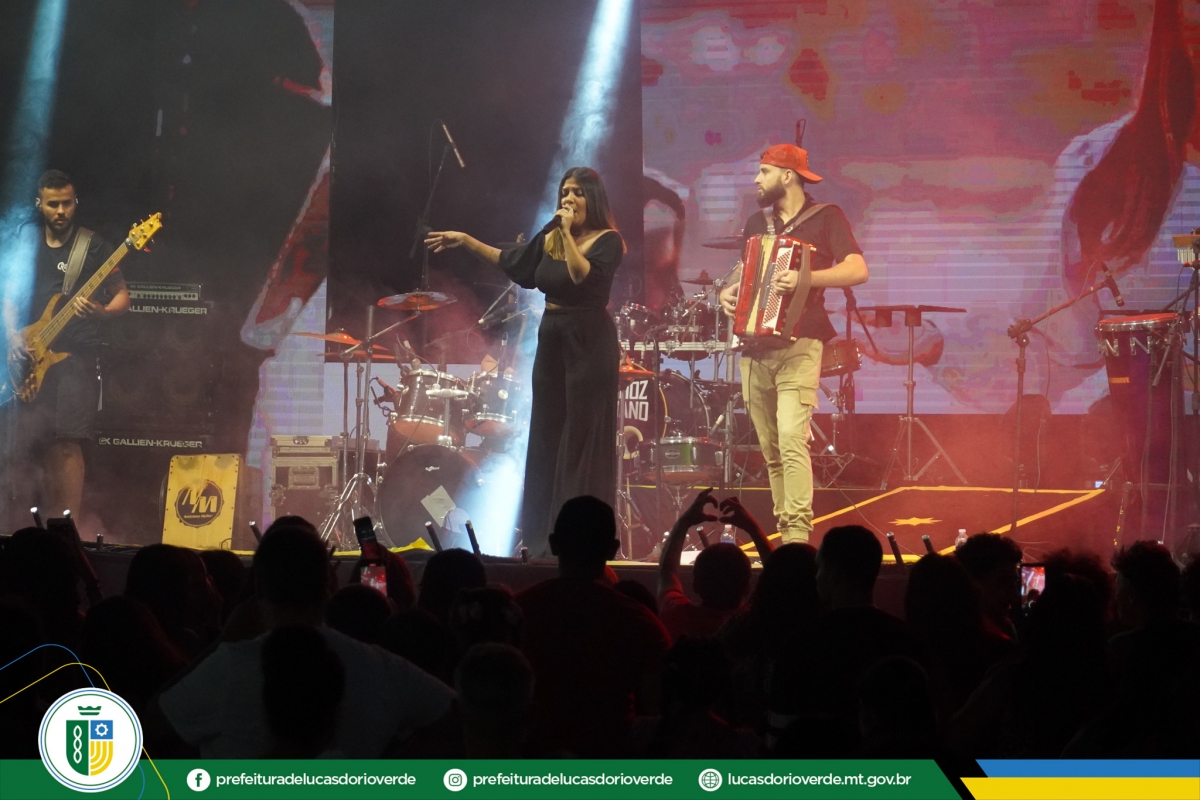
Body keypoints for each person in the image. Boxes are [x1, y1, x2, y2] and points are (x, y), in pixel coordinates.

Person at [426, 167, 625, 555]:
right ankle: (543, 539)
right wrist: (465, 240)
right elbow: (514, 263)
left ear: (593, 199)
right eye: (564, 192)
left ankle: (582, 539)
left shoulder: (608, 241)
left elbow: (580, 276)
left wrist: (564, 232)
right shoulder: (550, 237)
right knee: (548, 435)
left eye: (577, 193)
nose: (568, 199)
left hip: (589, 341)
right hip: (552, 338)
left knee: (579, 440)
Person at [155, 524, 453, 758]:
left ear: (259, 586)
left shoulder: (230, 664)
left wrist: (223, 639)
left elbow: (148, 725)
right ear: (328, 585)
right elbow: (464, 717)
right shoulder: (379, 665)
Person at [718, 146, 867, 543]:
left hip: (801, 342)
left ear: (787, 176)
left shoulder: (826, 217)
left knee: (791, 438)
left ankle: (798, 535)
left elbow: (858, 269)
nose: (756, 179)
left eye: (764, 171)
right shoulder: (757, 222)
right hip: (755, 348)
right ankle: (785, 531)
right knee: (771, 449)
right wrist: (727, 292)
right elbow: (746, 272)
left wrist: (807, 278)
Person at [3, 170, 129, 519]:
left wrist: (102, 312)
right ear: (39, 203)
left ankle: (66, 527)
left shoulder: (93, 246)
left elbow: (123, 296)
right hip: (31, 358)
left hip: (75, 358)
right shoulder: (27, 244)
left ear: (76, 203)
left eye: (67, 203)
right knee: (35, 443)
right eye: (53, 204)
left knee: (67, 443)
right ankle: (31, 523)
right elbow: (9, 296)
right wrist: (13, 336)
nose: (61, 211)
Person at [514, 495, 670, 757]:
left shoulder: (516, 612)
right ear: (613, 549)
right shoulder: (640, 622)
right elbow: (658, 716)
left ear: (553, 544)